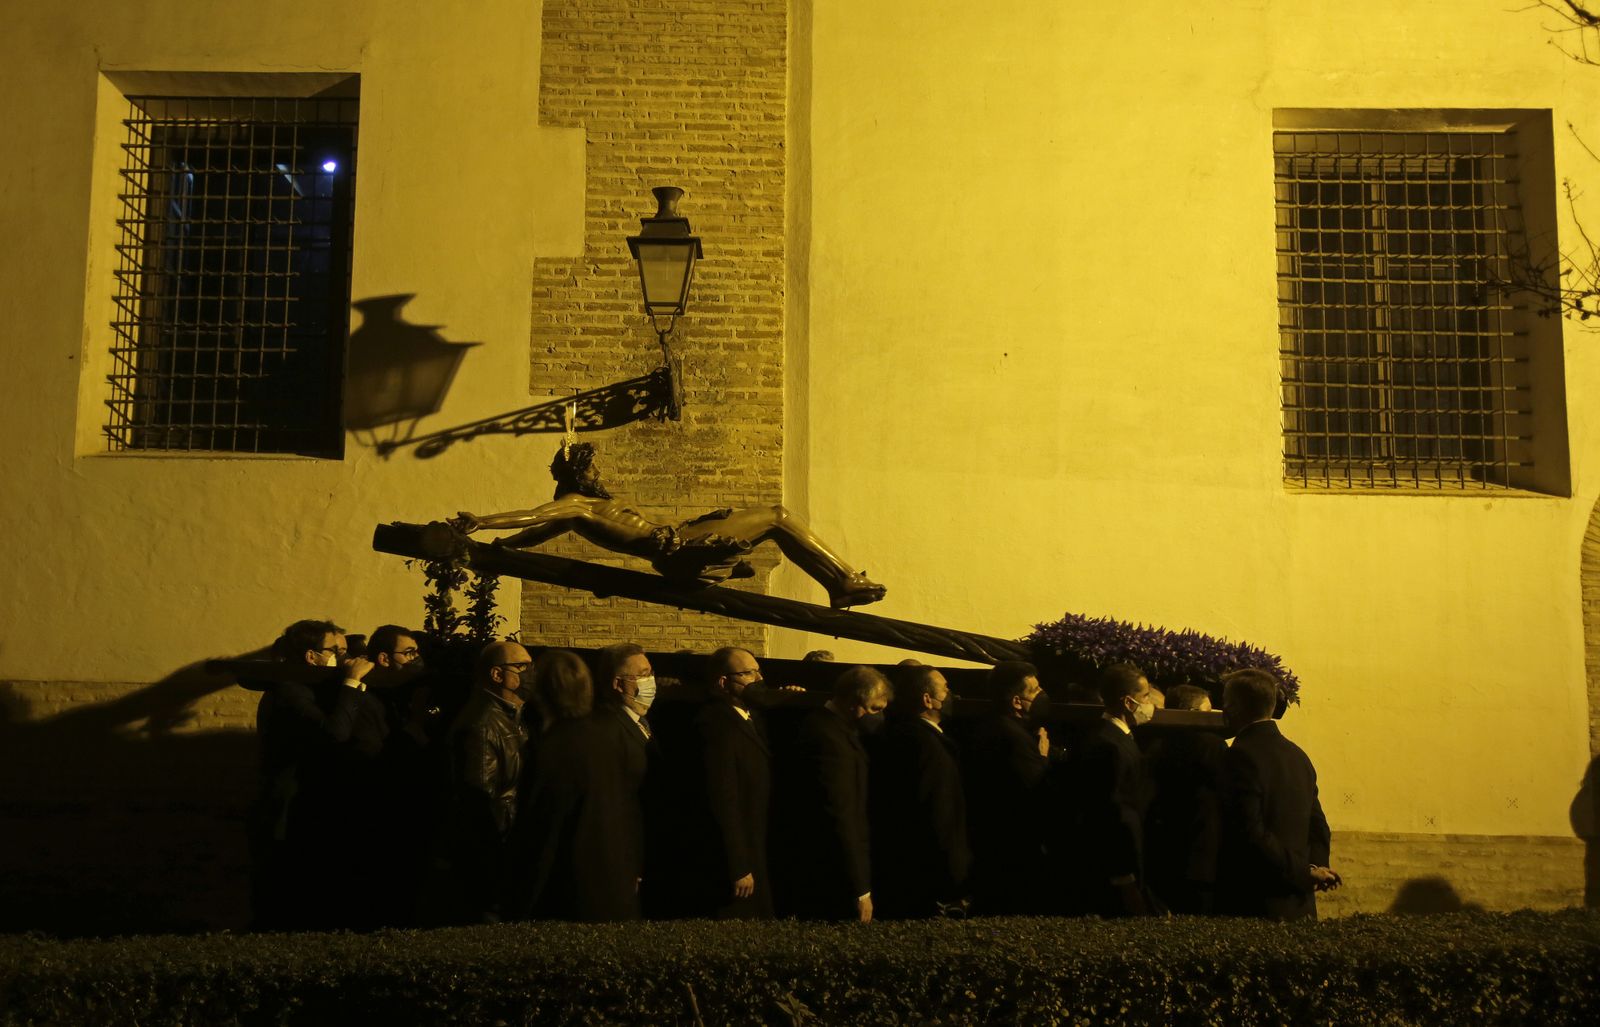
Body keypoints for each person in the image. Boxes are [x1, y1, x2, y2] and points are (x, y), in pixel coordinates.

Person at [449, 442, 886, 608]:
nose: (598, 475)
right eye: (592, 469)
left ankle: (838, 583)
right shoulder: (575, 506)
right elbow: (535, 517)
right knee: (776, 516)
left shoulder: (585, 509)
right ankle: (842, 581)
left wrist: (504, 546)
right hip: (675, 546)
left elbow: (534, 533)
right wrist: (481, 522)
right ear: (578, 475)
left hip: (679, 536)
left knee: (775, 520)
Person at [251, 618, 385, 930]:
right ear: (312, 656)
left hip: (308, 803)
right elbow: (335, 732)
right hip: (287, 805)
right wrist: (351, 684)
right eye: (335, 650)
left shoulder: (311, 688)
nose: (345, 657)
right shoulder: (290, 691)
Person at [511, 649, 642, 921]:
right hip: (615, 881)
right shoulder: (608, 735)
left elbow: (543, 828)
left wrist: (522, 899)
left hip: (571, 890)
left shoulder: (553, 747)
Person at [1215, 668, 1339, 919]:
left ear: (1236, 707)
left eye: (1226, 702)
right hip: (1300, 903)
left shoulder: (1240, 756)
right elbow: (1318, 824)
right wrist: (1316, 867)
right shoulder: (1297, 755)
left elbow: (1251, 832)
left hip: (1257, 901)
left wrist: (1304, 872)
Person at [777, 665, 889, 921]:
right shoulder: (828, 739)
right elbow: (841, 813)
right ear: (853, 702)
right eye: (875, 708)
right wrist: (859, 889)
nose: (879, 717)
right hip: (832, 874)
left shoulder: (832, 730)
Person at [439, 640, 531, 923]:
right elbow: (479, 798)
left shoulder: (513, 715)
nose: (529, 673)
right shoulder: (482, 723)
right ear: (496, 675)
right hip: (499, 847)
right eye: (521, 667)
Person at [869, 664, 971, 918]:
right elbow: (940, 812)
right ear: (928, 699)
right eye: (945, 689)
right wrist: (955, 875)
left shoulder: (900, 735)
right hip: (928, 874)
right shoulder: (928, 747)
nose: (951, 695)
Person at [1060, 662, 1157, 917]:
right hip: (1116, 870)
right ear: (1128, 702)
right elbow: (1112, 813)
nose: (1150, 703)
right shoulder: (1108, 745)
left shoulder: (1116, 738)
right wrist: (1124, 877)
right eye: (1145, 696)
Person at [692, 646, 777, 918]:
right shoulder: (718, 724)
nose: (758, 679)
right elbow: (723, 797)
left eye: (758, 671)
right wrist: (738, 865)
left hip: (756, 846)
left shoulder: (750, 718)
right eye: (749, 673)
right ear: (723, 682)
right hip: (741, 859)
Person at [963, 660, 1051, 914]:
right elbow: (1036, 788)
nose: (1041, 694)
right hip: (1012, 848)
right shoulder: (1012, 737)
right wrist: (1043, 758)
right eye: (1034, 690)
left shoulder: (995, 727)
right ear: (1015, 701)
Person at [1141, 683, 1227, 914]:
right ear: (1192, 714)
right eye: (1206, 712)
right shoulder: (1212, 745)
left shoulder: (1155, 747)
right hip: (1202, 857)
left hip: (1162, 854)